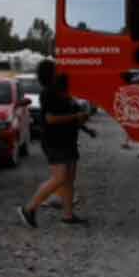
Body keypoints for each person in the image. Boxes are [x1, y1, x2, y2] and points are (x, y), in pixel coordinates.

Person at [18, 62, 90, 228]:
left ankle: (68, 215)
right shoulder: (48, 93)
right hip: (55, 141)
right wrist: (75, 117)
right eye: (56, 69)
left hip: (68, 139)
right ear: (50, 73)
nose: (60, 69)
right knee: (60, 177)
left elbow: (70, 111)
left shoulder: (60, 92)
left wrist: (82, 123)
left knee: (70, 179)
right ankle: (29, 208)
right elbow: (51, 119)